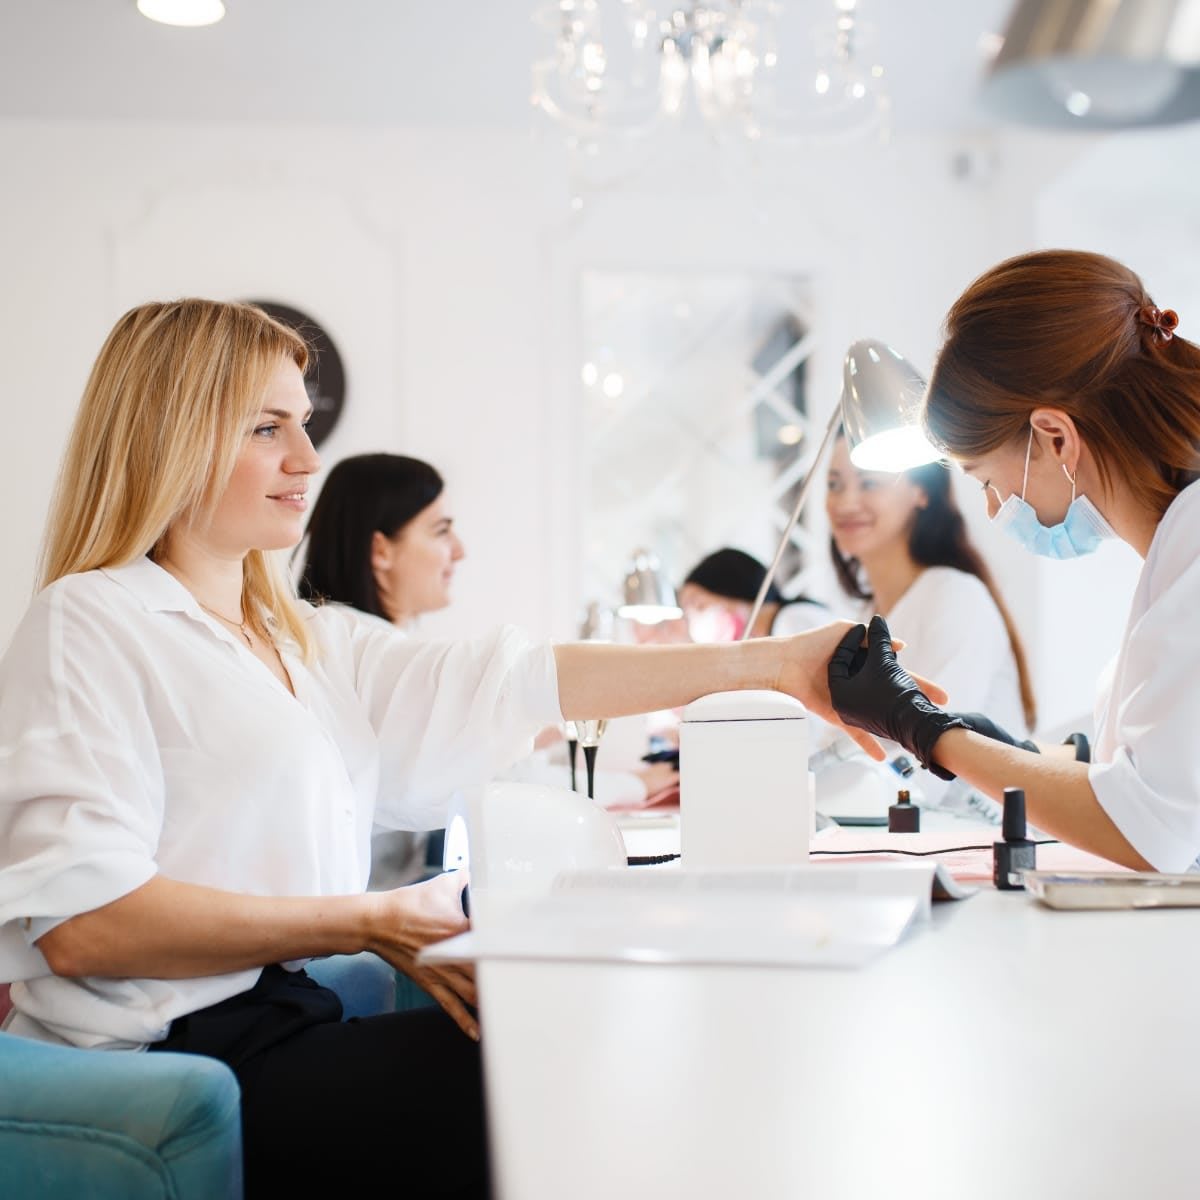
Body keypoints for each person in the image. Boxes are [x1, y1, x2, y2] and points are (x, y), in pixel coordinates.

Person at [0, 298, 919, 1199]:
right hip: (175, 1051)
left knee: (571, 1038)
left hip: (286, 1016)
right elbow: (87, 926)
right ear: (176, 435)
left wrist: (780, 666)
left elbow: (512, 681)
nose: (307, 458)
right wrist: (367, 919)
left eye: (304, 424)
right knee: (554, 1075)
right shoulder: (92, 621)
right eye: (267, 428)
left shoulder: (298, 639)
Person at [827, 248, 1200, 872]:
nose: (997, 509)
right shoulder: (1175, 549)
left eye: (986, 481)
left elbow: (1151, 830)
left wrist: (926, 731)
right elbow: (1147, 767)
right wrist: (1021, 754)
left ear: (1055, 437)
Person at [823, 430, 1037, 814]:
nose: (846, 502)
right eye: (834, 484)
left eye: (869, 482)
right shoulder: (866, 615)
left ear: (922, 493)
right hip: (894, 832)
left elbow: (930, 761)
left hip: (969, 838)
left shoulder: (954, 595)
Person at [297, 451, 465, 889]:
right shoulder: (352, 650)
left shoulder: (346, 637)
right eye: (441, 531)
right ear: (380, 550)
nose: (459, 551)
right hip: (359, 932)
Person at [678, 546, 830, 642]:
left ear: (728, 585)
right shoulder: (756, 640)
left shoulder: (794, 618)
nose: (694, 618)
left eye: (697, 604)